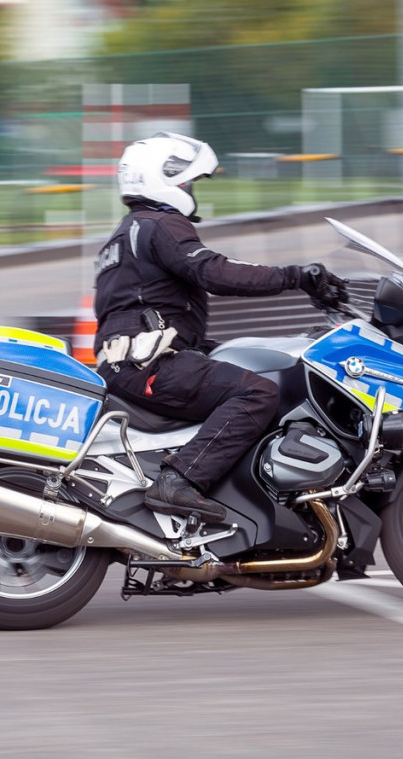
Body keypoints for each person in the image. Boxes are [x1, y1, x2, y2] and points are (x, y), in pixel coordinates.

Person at [92, 132, 347, 523]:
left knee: (245, 367)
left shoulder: (124, 235)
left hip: (132, 363)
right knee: (259, 392)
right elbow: (214, 272)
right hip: (149, 368)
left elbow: (149, 313)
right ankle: (178, 482)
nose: (191, 189)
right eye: (188, 181)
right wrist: (298, 277)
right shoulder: (160, 224)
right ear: (166, 178)